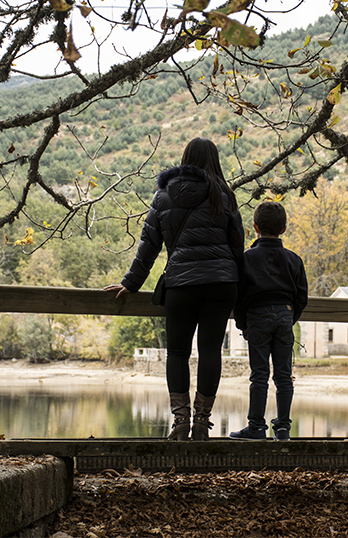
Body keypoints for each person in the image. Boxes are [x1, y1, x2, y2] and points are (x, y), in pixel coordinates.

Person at [104, 138, 244, 441]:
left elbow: (149, 244)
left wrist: (131, 283)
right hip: (222, 284)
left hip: (182, 283)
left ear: (185, 159)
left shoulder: (164, 195)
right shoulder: (224, 195)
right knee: (210, 352)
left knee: (177, 353)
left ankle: (180, 423)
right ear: (214, 160)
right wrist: (240, 284)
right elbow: (237, 245)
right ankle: (201, 424)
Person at [230, 201, 308, 441]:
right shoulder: (294, 260)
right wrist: (289, 317)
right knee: (284, 375)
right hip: (285, 315)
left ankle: (256, 427)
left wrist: (243, 324)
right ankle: (283, 428)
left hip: (257, 316)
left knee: (259, 374)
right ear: (284, 228)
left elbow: (238, 297)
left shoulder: (246, 259)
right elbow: (301, 296)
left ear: (255, 227)